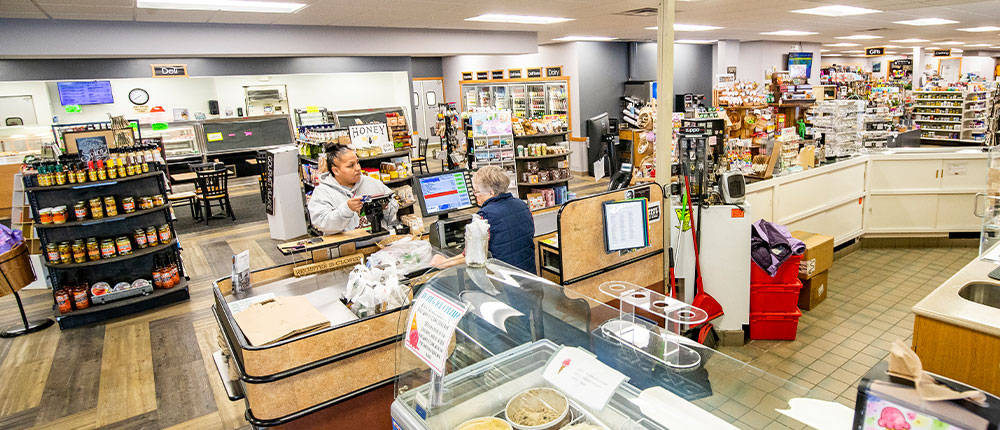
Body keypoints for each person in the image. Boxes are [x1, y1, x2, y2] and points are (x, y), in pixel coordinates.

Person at [433, 166, 536, 273]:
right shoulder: (522, 205)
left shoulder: (485, 215)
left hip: (503, 280)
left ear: (491, 193)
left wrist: (444, 262)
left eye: (477, 192)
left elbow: (473, 255)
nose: (476, 196)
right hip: (528, 275)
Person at [308, 143, 398, 234]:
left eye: (357, 163)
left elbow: (391, 215)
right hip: (347, 246)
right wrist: (347, 209)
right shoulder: (323, 192)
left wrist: (387, 207)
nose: (358, 168)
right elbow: (322, 223)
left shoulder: (373, 183)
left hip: (380, 243)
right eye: (351, 166)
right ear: (336, 170)